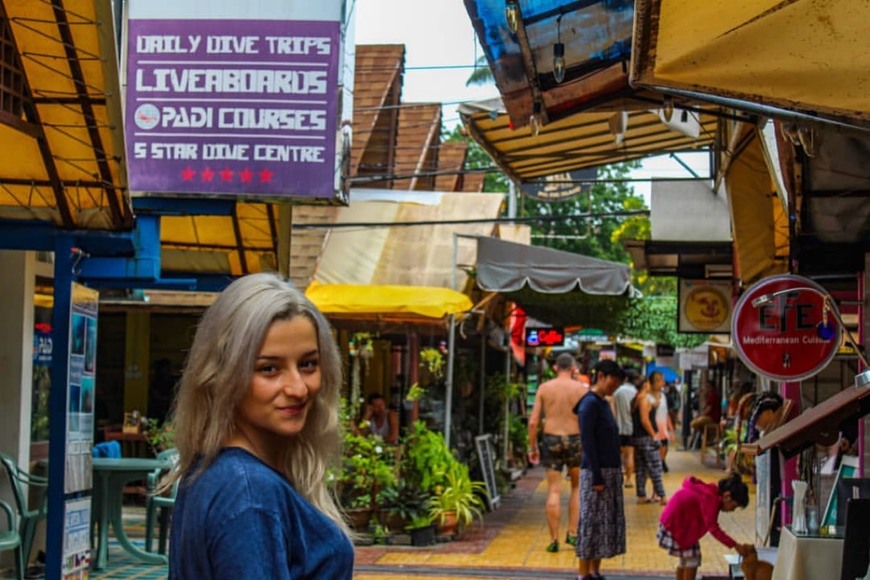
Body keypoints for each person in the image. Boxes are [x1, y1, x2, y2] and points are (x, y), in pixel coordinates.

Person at [166, 273, 353, 579]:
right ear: (224, 374)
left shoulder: (213, 474)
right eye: (269, 369)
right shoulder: (249, 491)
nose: (298, 388)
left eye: (308, 364)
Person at [528, 353, 589, 552]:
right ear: (573, 368)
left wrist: (533, 446)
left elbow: (533, 422)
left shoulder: (544, 388)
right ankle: (572, 534)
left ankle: (553, 539)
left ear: (555, 368)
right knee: (576, 488)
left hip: (551, 438)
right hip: (575, 438)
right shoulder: (581, 389)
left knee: (553, 489)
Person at [573, 360, 626, 580]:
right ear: (601, 376)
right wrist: (596, 475)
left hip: (609, 471)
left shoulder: (603, 403)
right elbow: (588, 442)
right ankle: (584, 573)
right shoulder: (590, 404)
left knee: (603, 522)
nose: (615, 386)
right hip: (597, 472)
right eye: (613, 380)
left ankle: (595, 570)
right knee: (591, 522)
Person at [657, 472, 753, 580]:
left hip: (673, 524)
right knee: (693, 560)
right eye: (734, 506)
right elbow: (713, 528)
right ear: (727, 496)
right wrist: (734, 545)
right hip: (676, 526)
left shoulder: (709, 492)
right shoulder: (710, 499)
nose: (731, 510)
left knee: (685, 560)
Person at [632, 376, 667, 504]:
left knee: (641, 468)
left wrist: (658, 398)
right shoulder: (644, 400)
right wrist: (654, 435)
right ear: (645, 385)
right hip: (647, 438)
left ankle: (641, 495)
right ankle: (662, 496)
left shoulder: (637, 399)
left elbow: (654, 406)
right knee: (655, 468)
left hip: (637, 438)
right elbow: (645, 420)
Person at [612, 368, 638, 488]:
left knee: (616, 455)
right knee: (630, 455)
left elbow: (613, 409)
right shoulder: (636, 392)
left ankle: (616, 479)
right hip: (631, 428)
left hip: (618, 427)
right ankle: (628, 479)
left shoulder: (617, 392)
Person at [651, 372, 674, 473]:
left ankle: (661, 461)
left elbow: (666, 413)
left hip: (663, 427)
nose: (663, 383)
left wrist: (670, 428)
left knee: (664, 446)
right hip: (652, 428)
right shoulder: (647, 397)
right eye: (661, 381)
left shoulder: (664, 396)